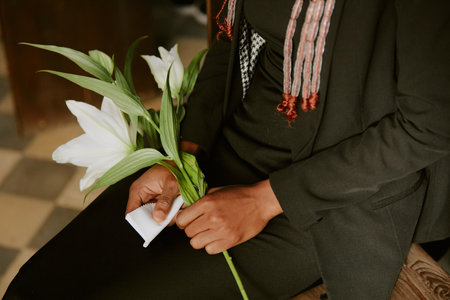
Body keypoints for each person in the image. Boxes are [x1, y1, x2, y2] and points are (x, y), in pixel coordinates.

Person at [4, 0, 450, 299]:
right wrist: (185, 154)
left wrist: (262, 201)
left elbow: (429, 126)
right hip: (230, 147)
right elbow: (225, 46)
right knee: (37, 286)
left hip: (332, 198)